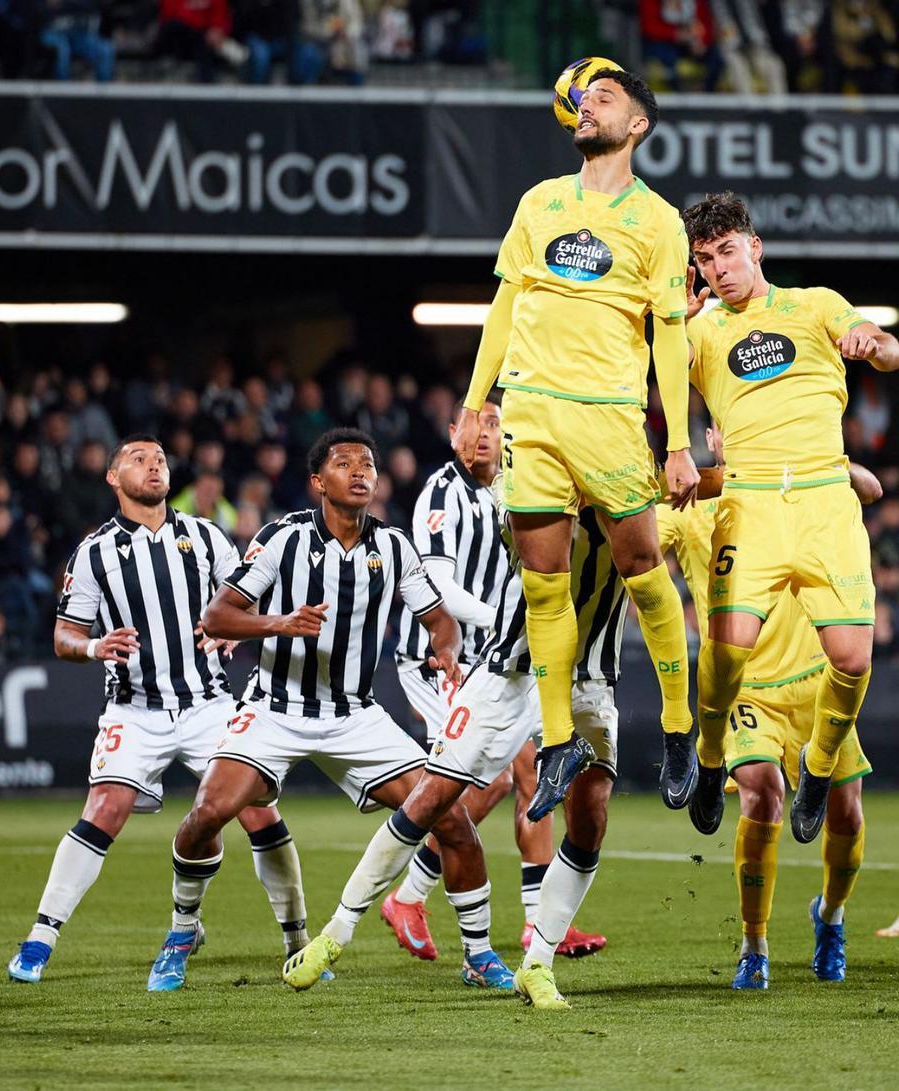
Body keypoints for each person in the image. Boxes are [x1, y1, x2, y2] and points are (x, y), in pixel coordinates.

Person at [148, 429, 515, 993]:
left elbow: (438, 617)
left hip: (355, 715)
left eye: (367, 463)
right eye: (345, 464)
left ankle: (479, 953)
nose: (361, 471)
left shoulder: (393, 546)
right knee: (205, 813)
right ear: (320, 482)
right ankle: (180, 933)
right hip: (275, 708)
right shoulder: (282, 539)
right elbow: (218, 617)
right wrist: (279, 622)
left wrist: (446, 650)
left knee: (454, 819)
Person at [454, 67, 700, 821]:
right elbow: (505, 306)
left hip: (611, 416)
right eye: (584, 98)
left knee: (640, 566)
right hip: (532, 411)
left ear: (637, 126)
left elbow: (669, 333)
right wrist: (475, 404)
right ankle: (558, 737)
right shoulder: (539, 202)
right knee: (543, 582)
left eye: (608, 98)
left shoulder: (659, 222)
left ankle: (680, 721)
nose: (589, 104)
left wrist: (679, 442)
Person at [283, 492, 630, 1008]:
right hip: (509, 674)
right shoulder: (535, 476)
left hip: (588, 679)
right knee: (432, 796)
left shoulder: (636, 492)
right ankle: (336, 933)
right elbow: (530, 539)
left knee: (590, 817)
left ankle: (538, 962)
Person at [6, 435, 309, 983]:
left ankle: (297, 941)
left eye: (161, 459)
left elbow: (243, 604)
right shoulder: (94, 551)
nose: (155, 466)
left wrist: (233, 632)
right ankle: (39, 939)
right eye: (139, 459)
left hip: (208, 704)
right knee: (104, 809)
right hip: (134, 708)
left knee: (257, 810)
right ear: (113, 478)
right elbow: (64, 637)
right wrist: (96, 646)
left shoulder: (206, 535)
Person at [680, 192, 899, 843]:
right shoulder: (701, 329)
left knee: (853, 658)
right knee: (725, 649)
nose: (718, 268)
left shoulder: (813, 304)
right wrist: (665, 325)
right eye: (704, 259)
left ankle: (820, 764)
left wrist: (874, 342)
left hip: (824, 499)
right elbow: (636, 374)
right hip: (749, 503)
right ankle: (710, 751)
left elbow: (887, 348)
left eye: (726, 250)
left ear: (755, 246)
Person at [658, 424, 880, 990]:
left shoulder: (803, 483)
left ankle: (829, 915)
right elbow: (636, 537)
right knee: (762, 790)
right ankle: (753, 944)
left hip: (816, 678)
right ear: (713, 435)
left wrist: (822, 469)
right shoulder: (691, 504)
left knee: (847, 813)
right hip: (747, 687)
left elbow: (871, 487)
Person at [385, 395, 606, 961]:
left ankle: (536, 923)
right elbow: (439, 589)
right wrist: (513, 619)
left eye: (494, 424)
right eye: (472, 424)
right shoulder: (443, 491)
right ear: (451, 430)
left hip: (500, 658)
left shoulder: (512, 484)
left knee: (533, 772)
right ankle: (407, 894)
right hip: (440, 657)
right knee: (488, 780)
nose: (483, 434)